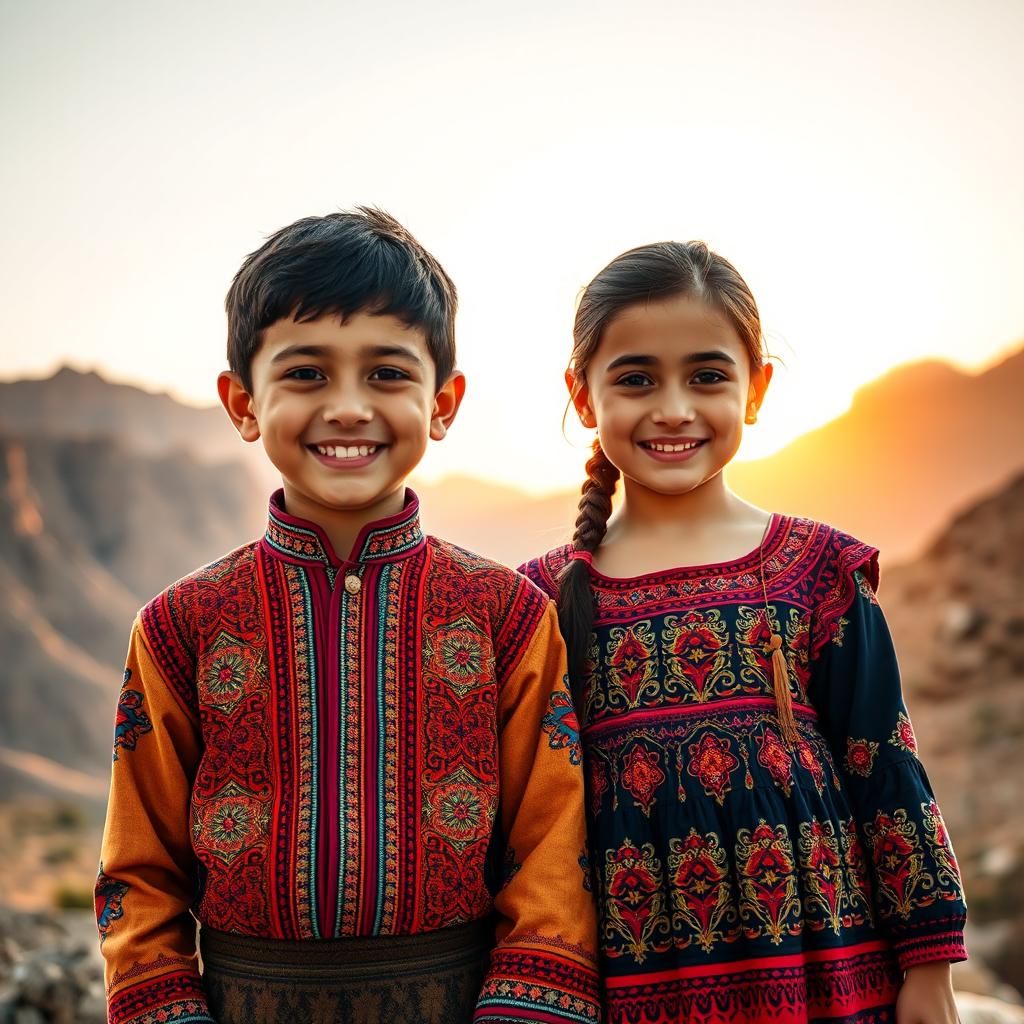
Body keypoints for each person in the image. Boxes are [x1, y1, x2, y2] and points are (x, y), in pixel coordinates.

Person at [95, 208, 600, 1024]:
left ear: (443, 403)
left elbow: (551, 854)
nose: (348, 408)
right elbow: (139, 870)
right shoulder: (180, 626)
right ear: (242, 403)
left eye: (387, 375)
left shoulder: (508, 618)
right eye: (305, 374)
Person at [520, 241, 966, 1024]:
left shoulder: (818, 568)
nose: (673, 408)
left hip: (829, 975)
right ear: (583, 397)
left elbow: (886, 769)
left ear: (756, 388)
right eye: (635, 379)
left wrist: (929, 971)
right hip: (632, 987)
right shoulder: (542, 598)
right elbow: (531, 829)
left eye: (707, 375)